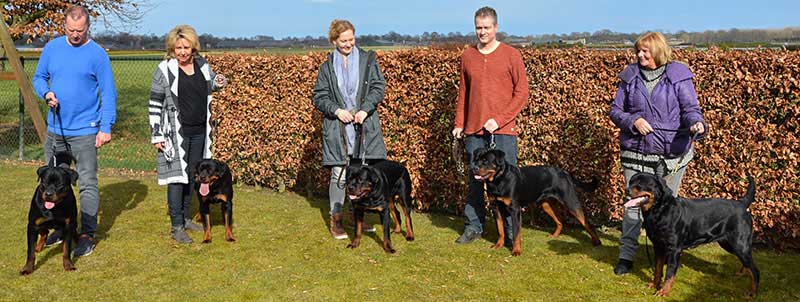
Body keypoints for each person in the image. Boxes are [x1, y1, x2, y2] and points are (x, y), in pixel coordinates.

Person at [609, 32, 707, 275]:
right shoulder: (629, 76)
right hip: (636, 152)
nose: (640, 55)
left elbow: (690, 109)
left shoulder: (678, 75)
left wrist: (696, 123)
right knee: (632, 206)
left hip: (671, 155)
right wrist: (633, 120)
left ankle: (665, 259)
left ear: (658, 51)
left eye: (645, 51)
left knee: (666, 211)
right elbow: (615, 110)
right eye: (638, 51)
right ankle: (626, 257)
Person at [32, 5, 117, 257]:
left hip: (85, 131)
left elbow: (109, 92)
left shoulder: (98, 54)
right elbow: (39, 77)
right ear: (64, 26)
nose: (75, 34)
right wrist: (46, 93)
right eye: (70, 30)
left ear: (88, 27)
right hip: (56, 129)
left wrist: (106, 126)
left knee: (87, 183)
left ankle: (87, 234)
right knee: (54, 182)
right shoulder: (52, 48)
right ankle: (60, 227)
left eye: (80, 30)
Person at [452, 6, 529, 245]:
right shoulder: (467, 56)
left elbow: (522, 93)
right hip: (474, 131)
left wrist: (499, 119)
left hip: (504, 132)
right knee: (475, 183)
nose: (482, 32)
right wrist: (459, 123)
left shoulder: (511, 55)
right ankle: (473, 227)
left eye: (486, 27)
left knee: (508, 185)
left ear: (496, 27)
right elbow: (464, 93)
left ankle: (510, 233)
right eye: (478, 27)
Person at [148, 25, 228, 243]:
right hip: (174, 133)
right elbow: (155, 103)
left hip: (200, 131)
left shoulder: (202, 65)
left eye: (186, 47)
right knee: (176, 178)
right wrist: (157, 135)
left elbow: (211, 86)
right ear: (172, 49)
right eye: (178, 48)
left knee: (193, 177)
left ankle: (185, 218)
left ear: (194, 47)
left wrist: (219, 82)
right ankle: (176, 226)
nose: (182, 52)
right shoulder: (164, 70)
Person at [313, 19, 387, 240]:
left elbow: (378, 87)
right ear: (334, 41)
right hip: (338, 129)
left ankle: (359, 220)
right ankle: (336, 220)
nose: (349, 44)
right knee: (339, 174)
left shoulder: (368, 60)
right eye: (344, 40)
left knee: (363, 174)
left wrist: (365, 109)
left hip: (365, 127)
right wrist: (336, 110)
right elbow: (319, 96)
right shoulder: (326, 67)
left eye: (352, 39)